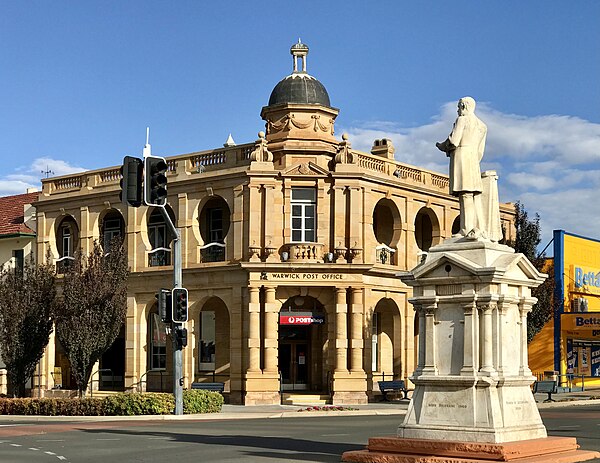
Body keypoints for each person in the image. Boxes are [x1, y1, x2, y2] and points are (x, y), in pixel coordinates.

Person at [436, 97, 487, 238]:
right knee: (471, 195)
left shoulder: (462, 120)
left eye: (459, 106)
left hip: (462, 158)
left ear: (464, 106)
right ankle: (474, 227)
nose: (458, 110)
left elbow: (454, 141)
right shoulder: (482, 126)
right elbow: (480, 151)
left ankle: (465, 229)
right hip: (473, 161)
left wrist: (442, 146)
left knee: (464, 195)